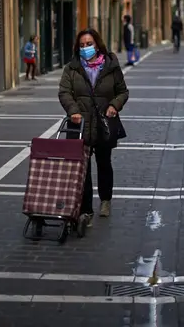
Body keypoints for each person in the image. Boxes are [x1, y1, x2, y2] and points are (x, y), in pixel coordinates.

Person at [58, 29, 129, 225]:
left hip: (104, 124)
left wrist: (115, 105)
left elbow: (123, 92)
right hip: (79, 124)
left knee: (104, 164)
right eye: (81, 45)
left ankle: (105, 201)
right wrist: (73, 110)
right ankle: (86, 210)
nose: (85, 48)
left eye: (88, 44)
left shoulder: (111, 65)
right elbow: (64, 92)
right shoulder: (71, 68)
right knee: (83, 168)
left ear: (97, 45)